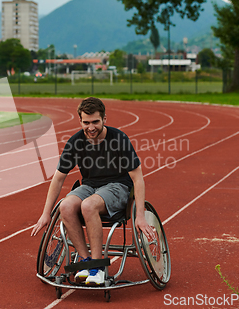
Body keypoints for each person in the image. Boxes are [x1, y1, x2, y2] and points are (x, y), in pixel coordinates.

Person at [31, 97, 154, 286]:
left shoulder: (118, 138)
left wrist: (140, 216)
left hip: (117, 186)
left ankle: (98, 268)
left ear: (104, 118)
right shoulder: (75, 142)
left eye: (95, 121)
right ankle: (85, 261)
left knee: (88, 206)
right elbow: (58, 178)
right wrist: (45, 214)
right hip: (90, 185)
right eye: (86, 122)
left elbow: (137, 177)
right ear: (80, 121)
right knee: (66, 206)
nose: (91, 127)